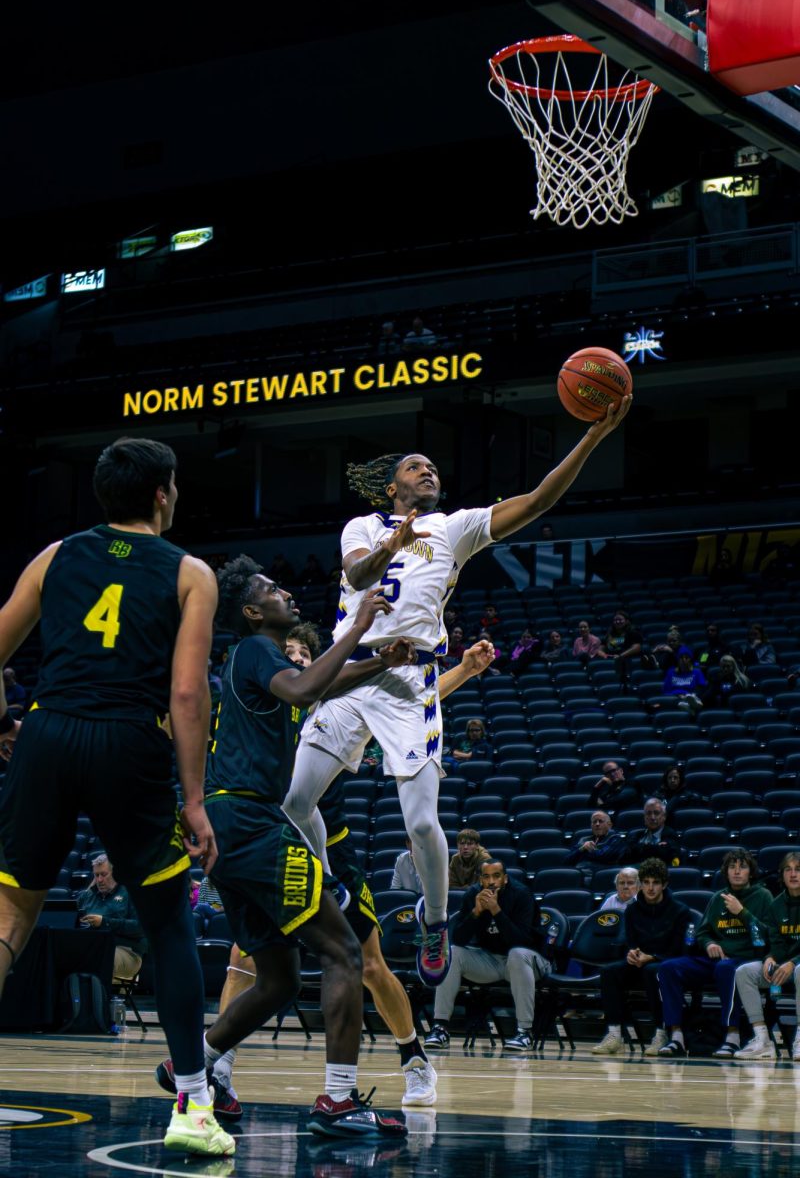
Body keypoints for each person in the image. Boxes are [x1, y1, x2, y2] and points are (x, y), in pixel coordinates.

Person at [283, 402, 631, 989]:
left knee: (420, 825)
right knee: (294, 801)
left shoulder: (454, 527)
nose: (428, 472)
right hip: (350, 672)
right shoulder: (363, 528)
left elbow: (539, 500)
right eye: (416, 467)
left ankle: (436, 923)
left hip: (409, 681)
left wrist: (593, 436)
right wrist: (394, 543)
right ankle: (331, 887)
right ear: (393, 485)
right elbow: (362, 576)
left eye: (433, 469)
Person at [0, 436, 234, 1158]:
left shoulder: (55, 553)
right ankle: (194, 1105)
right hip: (128, 740)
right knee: (166, 924)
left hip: (48, 731)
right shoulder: (190, 572)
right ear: (163, 492)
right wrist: (194, 799)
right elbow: (188, 692)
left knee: (11, 912)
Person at [173, 634, 497, 1117]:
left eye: (304, 653)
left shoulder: (329, 690)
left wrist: (465, 672)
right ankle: (218, 1065)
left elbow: (403, 701)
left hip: (332, 846)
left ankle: (412, 1055)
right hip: (273, 837)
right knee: (248, 958)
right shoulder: (263, 696)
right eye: (291, 654)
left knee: (367, 963)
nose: (298, 659)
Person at [175, 555, 408, 1138]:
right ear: (253, 612)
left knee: (278, 977)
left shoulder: (255, 659)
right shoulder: (255, 648)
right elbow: (306, 691)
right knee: (344, 951)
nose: (286, 592)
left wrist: (378, 662)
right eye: (272, 588)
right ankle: (337, 1100)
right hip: (252, 822)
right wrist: (358, 627)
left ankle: (195, 1067)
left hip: (232, 827)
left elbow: (314, 683)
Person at [423, 858, 550, 1052]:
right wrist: (476, 912)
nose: (491, 882)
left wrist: (496, 911)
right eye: (486, 877)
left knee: (516, 954)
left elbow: (523, 940)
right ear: (480, 880)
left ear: (505, 879)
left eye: (496, 876)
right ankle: (440, 1028)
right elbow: (458, 939)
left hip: (531, 961)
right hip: (492, 961)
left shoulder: (522, 895)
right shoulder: (473, 895)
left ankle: (525, 1032)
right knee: (453, 953)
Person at [657, 848, 773, 1058]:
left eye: (742, 867)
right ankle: (676, 1036)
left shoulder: (763, 896)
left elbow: (767, 935)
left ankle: (733, 1036)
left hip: (745, 960)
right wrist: (709, 942)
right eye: (732, 867)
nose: (737, 871)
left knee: (726, 969)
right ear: (725, 872)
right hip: (714, 960)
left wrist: (742, 913)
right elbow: (702, 931)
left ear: (751, 872)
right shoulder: (719, 897)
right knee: (668, 968)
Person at [592, 858, 690, 1058]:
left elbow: (680, 949)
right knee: (609, 972)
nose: (650, 888)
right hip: (640, 962)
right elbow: (629, 940)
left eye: (655, 883)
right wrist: (632, 952)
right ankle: (614, 1035)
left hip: (666, 963)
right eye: (646, 883)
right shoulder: (632, 910)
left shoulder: (680, 910)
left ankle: (661, 1033)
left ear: (664, 884)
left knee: (654, 970)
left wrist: (653, 956)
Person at [733, 852, 800, 1060]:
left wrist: (793, 962)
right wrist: (770, 957)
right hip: (783, 968)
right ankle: (762, 1039)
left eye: (798, 869)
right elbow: (775, 942)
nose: (793, 874)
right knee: (744, 972)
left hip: (796, 967)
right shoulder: (776, 905)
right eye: (788, 869)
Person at [77, 853, 147, 981]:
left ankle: (98, 999)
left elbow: (140, 927)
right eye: (96, 875)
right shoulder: (89, 896)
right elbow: (75, 915)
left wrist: (104, 922)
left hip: (127, 951)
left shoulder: (131, 893)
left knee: (98, 956)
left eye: (104, 874)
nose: (99, 880)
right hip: (93, 947)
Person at [566, 811, 626, 884]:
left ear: (609, 825)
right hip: (579, 875)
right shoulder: (584, 840)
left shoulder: (616, 839)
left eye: (600, 821)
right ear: (591, 826)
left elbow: (604, 856)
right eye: (594, 822)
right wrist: (582, 849)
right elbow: (567, 860)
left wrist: (584, 851)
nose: (597, 824)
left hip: (601, 877)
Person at [623, 799, 683, 868]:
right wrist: (656, 848)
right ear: (644, 817)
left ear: (664, 817)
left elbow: (666, 855)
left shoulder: (671, 835)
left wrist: (639, 848)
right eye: (648, 813)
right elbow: (625, 857)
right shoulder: (636, 835)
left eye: (656, 813)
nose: (652, 817)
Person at [662, 647, 708, 711]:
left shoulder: (697, 672)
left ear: (690, 660)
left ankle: (689, 706)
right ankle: (691, 709)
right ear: (678, 660)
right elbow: (666, 691)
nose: (684, 660)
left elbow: (701, 688)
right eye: (681, 658)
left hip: (690, 697)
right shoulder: (671, 672)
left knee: (691, 699)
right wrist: (678, 695)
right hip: (674, 697)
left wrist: (688, 696)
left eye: (686, 658)